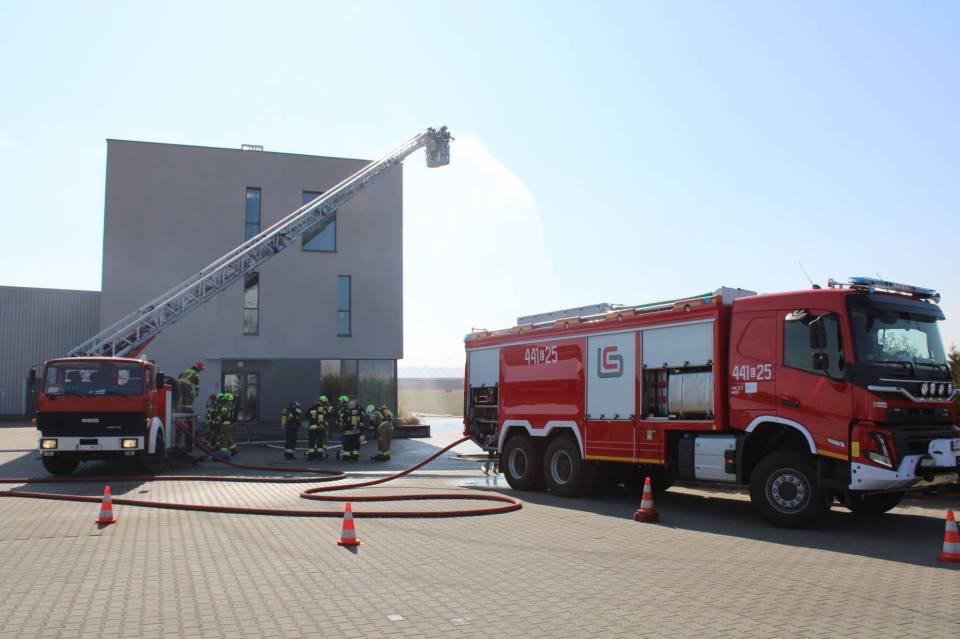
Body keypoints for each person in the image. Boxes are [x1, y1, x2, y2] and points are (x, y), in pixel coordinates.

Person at [306, 395, 332, 460]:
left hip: (312, 427)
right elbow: (326, 415)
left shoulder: (310, 408)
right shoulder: (323, 408)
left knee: (311, 442)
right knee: (320, 441)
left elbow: (307, 415)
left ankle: (311, 456)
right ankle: (320, 456)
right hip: (320, 427)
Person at [217, 392, 239, 457]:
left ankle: (223, 453)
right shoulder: (231, 405)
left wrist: (218, 418)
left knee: (223, 438)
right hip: (229, 424)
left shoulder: (226, 406)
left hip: (225, 424)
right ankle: (234, 450)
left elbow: (223, 414)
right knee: (227, 437)